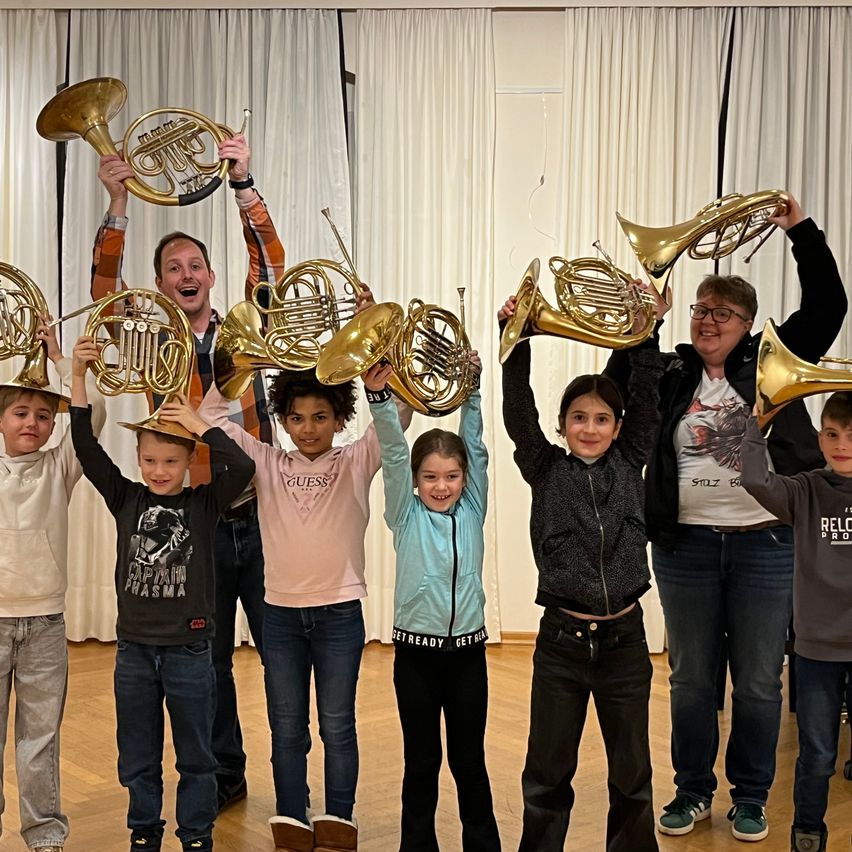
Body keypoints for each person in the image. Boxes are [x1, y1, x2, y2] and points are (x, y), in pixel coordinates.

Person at [610, 196, 847, 841]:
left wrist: (799, 230)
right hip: (684, 547)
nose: (706, 319)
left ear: (748, 322)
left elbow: (829, 304)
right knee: (689, 680)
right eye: (699, 309)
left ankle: (749, 794)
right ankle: (691, 791)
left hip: (767, 544)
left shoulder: (773, 357)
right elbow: (616, 390)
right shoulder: (674, 370)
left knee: (762, 683)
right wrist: (642, 327)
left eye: (721, 312)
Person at [91, 135, 285, 810]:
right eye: (174, 266)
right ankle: (227, 779)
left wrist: (243, 182)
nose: (187, 271)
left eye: (196, 262)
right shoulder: (150, 342)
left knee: (282, 661)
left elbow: (272, 264)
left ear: (209, 273)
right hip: (196, 523)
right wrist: (117, 203)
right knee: (211, 666)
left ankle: (292, 784)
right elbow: (102, 294)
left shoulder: (243, 328)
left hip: (263, 518)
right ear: (161, 284)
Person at [198, 367, 412, 852]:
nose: (309, 427)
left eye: (320, 416)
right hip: (280, 619)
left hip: (340, 616)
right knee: (286, 725)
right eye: (296, 418)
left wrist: (378, 373)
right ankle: (292, 813)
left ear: (340, 419)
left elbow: (398, 415)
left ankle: (339, 813)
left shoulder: (357, 459)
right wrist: (245, 364)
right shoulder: (266, 463)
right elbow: (210, 415)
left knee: (337, 723)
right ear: (282, 421)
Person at [499, 281, 669, 852]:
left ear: (619, 428)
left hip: (624, 641)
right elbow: (518, 410)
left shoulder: (632, 459)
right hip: (561, 645)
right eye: (578, 417)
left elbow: (646, 393)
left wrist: (647, 330)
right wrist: (516, 339)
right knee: (547, 775)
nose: (589, 428)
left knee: (633, 776)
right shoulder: (544, 469)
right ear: (562, 424)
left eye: (601, 419)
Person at [70, 353, 255, 852]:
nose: (159, 470)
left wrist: (199, 425)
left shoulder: (203, 504)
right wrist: (76, 378)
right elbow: (85, 447)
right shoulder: (126, 497)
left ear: (188, 461)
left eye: (171, 461)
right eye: (150, 460)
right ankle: (144, 832)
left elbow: (243, 465)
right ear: (137, 459)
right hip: (133, 651)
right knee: (136, 754)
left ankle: (197, 834)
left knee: (197, 756)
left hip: (190, 650)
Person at [366, 356, 501, 852]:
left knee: (469, 763)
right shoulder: (404, 512)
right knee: (421, 763)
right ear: (417, 480)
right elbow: (395, 455)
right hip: (416, 658)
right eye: (431, 477)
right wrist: (380, 400)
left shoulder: (472, 506)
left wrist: (471, 390)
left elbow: (478, 449)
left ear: (465, 479)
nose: (441, 486)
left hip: (468, 657)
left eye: (451, 476)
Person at [0, 327, 105, 852]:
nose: (33, 423)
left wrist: (67, 366)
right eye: (20, 413)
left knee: (39, 741)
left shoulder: (60, 466)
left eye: (44, 415)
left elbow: (95, 421)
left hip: (44, 625)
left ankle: (44, 837)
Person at [741, 392, 852, 852]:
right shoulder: (805, 490)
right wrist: (757, 423)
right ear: (820, 437)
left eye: (850, 435)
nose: (841, 444)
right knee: (818, 755)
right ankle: (809, 829)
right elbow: (753, 477)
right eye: (831, 434)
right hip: (816, 650)